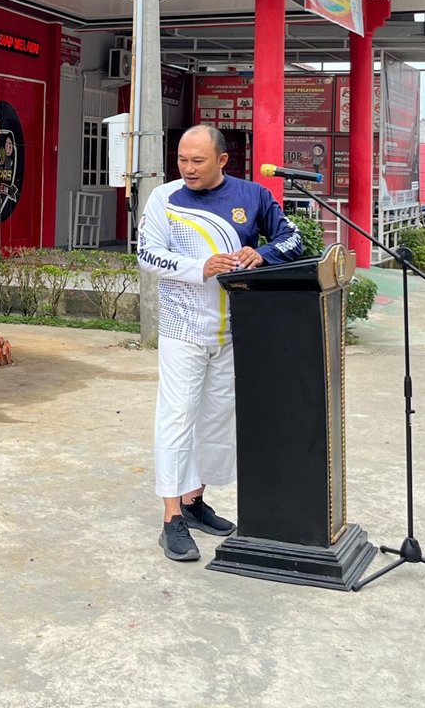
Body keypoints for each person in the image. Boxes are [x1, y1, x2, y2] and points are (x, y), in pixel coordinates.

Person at [138, 124, 303, 563]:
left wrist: (262, 254)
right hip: (183, 328)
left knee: (217, 419)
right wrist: (200, 266)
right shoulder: (165, 199)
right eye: (182, 160)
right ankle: (170, 517)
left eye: (198, 161)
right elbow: (147, 255)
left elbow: (294, 239)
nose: (187, 169)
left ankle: (193, 501)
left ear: (222, 161)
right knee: (177, 417)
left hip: (236, 329)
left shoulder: (253, 197)